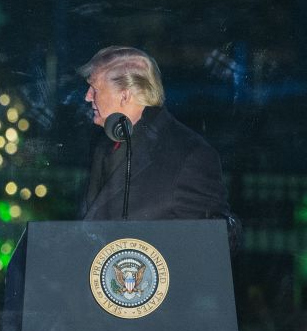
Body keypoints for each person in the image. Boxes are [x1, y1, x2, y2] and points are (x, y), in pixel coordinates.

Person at [79, 46, 237, 235]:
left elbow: (217, 239)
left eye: (94, 88)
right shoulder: (106, 145)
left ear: (125, 94)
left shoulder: (190, 155)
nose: (87, 97)